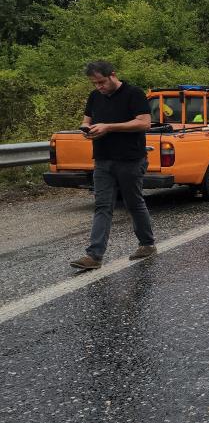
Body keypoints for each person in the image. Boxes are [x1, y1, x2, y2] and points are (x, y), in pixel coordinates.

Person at [70, 61, 156, 270]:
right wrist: (86, 128)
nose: (99, 87)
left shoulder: (134, 93)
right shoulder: (94, 96)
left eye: (101, 82)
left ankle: (147, 244)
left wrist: (109, 127)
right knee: (102, 206)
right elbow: (87, 120)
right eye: (94, 83)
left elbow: (144, 123)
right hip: (102, 159)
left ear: (112, 75)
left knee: (133, 203)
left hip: (130, 159)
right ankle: (94, 256)